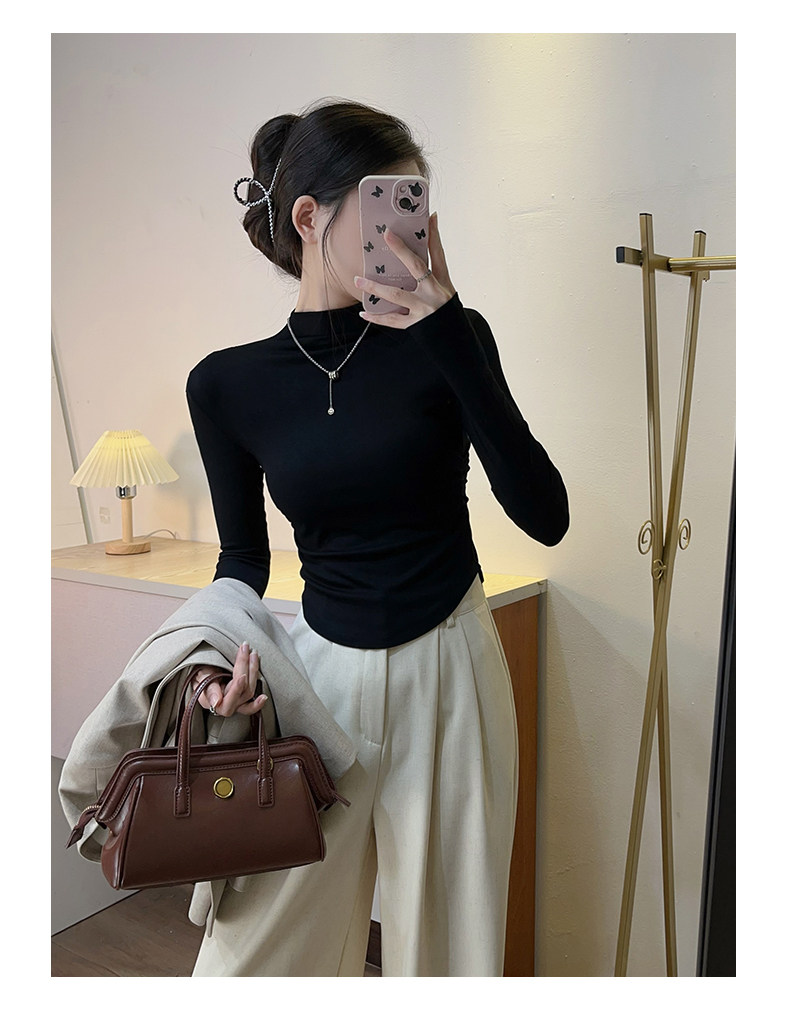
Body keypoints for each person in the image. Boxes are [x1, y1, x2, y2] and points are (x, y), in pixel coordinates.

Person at [185, 97, 569, 977]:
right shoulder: (227, 385)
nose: (405, 235)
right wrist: (210, 662)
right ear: (309, 218)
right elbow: (242, 558)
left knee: (450, 953)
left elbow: (545, 515)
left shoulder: (453, 340)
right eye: (383, 208)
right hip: (318, 681)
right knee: (253, 956)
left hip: (452, 671)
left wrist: (450, 330)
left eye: (415, 209)